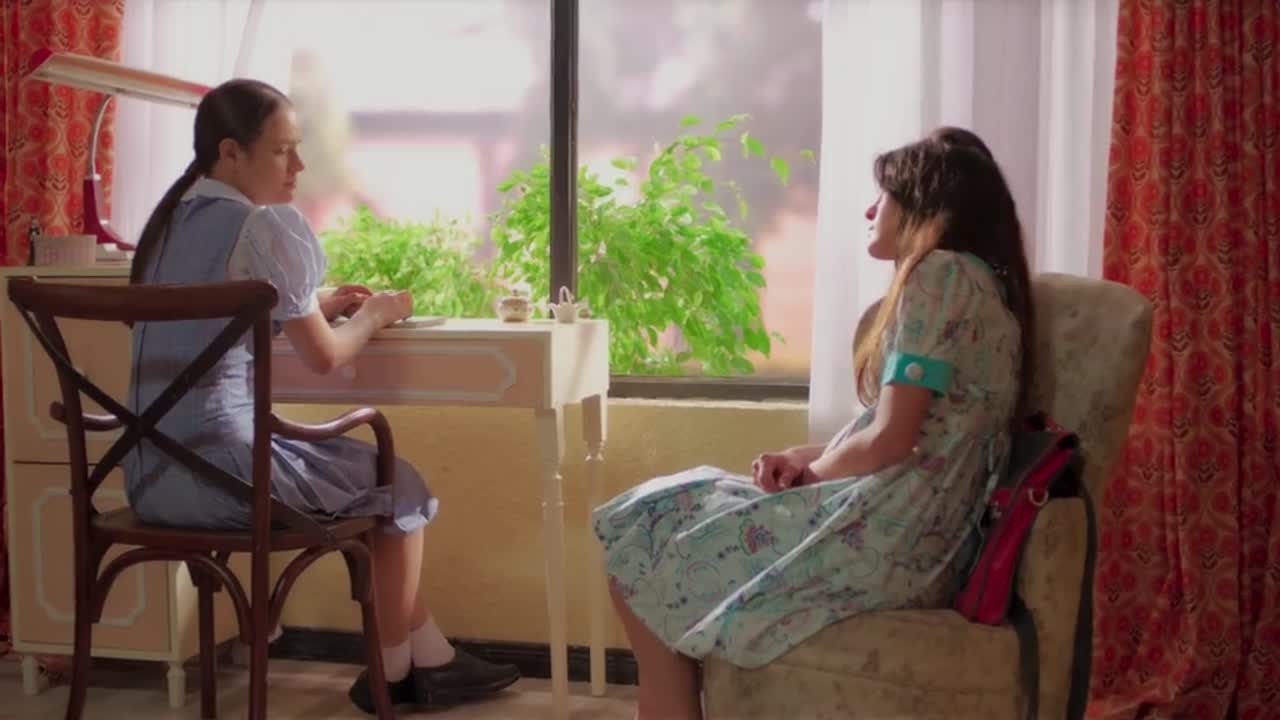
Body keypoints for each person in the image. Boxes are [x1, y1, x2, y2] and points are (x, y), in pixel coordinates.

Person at [592, 132, 1035, 719]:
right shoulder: (985, 289)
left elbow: (891, 440)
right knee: (667, 515)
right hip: (925, 537)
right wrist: (805, 458)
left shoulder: (939, 276)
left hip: (891, 537)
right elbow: (915, 434)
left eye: (885, 196)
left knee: (646, 532)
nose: (871, 210)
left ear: (927, 206)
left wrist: (812, 475)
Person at [124, 78, 519, 715]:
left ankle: (432, 659)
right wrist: (376, 314)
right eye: (283, 150)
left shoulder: (165, 227)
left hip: (149, 476)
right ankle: (392, 670)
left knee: (379, 483)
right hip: (225, 478)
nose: (299, 166)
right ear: (231, 153)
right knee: (399, 483)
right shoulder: (262, 226)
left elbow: (216, 315)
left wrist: (311, 304)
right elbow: (327, 358)